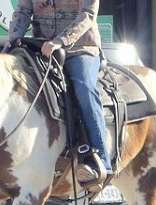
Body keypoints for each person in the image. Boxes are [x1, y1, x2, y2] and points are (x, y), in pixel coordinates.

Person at [6, 0, 111, 186]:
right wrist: (13, 39)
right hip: (41, 49)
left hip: (80, 48)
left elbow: (87, 14)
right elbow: (23, 11)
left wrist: (60, 41)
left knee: (83, 86)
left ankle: (100, 158)